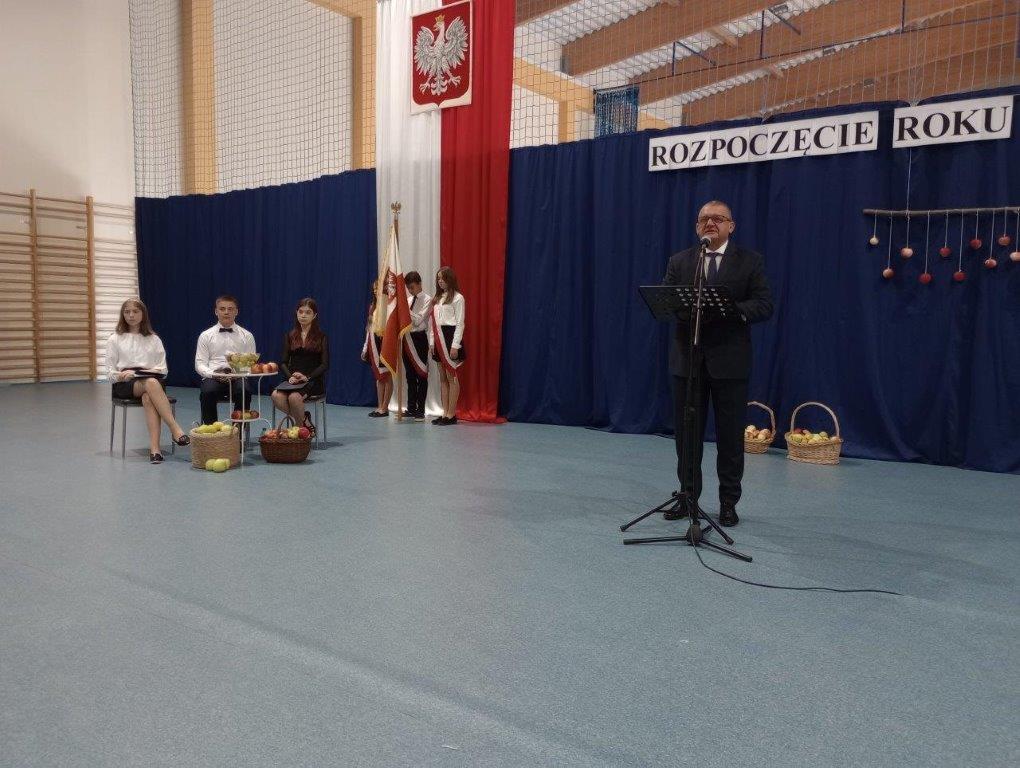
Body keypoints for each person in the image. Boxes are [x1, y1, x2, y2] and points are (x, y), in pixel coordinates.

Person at [662, 200, 773, 527]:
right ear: (697, 227)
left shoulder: (750, 261)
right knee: (687, 437)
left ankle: (728, 503)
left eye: (718, 219)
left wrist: (732, 310)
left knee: (729, 439)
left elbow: (764, 305)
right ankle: (687, 497)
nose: (710, 223)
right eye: (704, 219)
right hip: (688, 363)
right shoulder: (680, 261)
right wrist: (685, 307)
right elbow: (667, 300)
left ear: (731, 226)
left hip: (730, 363)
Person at [106, 297, 190, 463]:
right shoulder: (114, 339)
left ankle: (155, 450)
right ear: (122, 315)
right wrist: (120, 375)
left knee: (148, 396)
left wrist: (142, 373)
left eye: (135, 311)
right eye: (127, 312)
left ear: (143, 314)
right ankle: (175, 429)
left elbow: (163, 370)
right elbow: (109, 373)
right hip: (126, 384)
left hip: (152, 383)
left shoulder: (154, 338)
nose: (131, 315)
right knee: (151, 383)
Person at [194, 295, 257, 425]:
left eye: (230, 309)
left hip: (238, 376)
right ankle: (211, 431)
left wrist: (238, 373)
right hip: (213, 376)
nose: (226, 312)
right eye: (222, 309)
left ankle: (238, 432)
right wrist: (214, 374)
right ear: (216, 311)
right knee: (207, 392)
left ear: (236, 311)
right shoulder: (205, 335)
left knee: (244, 391)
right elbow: (199, 363)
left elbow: (251, 364)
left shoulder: (247, 336)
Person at [271, 298, 329, 434]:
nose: (303, 315)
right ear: (296, 313)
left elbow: (325, 364)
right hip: (293, 380)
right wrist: (290, 376)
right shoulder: (290, 335)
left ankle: (298, 433)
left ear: (314, 315)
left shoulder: (322, 337)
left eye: (308, 312)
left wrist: (307, 377)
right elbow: (283, 362)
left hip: (312, 380)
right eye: (301, 312)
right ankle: (304, 420)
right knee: (275, 395)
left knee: (294, 397)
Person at [427, 266, 465, 426]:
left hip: (450, 338)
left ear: (450, 279)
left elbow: (460, 323)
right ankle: (444, 413)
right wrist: (431, 342)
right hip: (437, 338)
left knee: (451, 377)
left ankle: (451, 414)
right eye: (438, 278)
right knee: (442, 378)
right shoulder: (437, 298)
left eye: (443, 278)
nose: (440, 281)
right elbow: (432, 322)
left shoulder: (458, 298)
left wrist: (455, 345)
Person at [401, 271, 431, 422]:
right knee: (410, 375)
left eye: (412, 287)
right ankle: (411, 407)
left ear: (419, 284)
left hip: (419, 339)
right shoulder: (407, 300)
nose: (410, 291)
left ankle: (421, 410)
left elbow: (418, 320)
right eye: (408, 288)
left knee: (421, 374)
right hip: (407, 338)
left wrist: (406, 311)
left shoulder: (428, 300)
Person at [361, 281, 392, 417]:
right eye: (373, 288)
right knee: (379, 377)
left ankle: (385, 407)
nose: (375, 290)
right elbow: (368, 329)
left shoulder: (389, 305)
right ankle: (379, 406)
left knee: (387, 375)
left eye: (377, 288)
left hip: (385, 342)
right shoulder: (372, 306)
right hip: (373, 342)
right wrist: (365, 348)